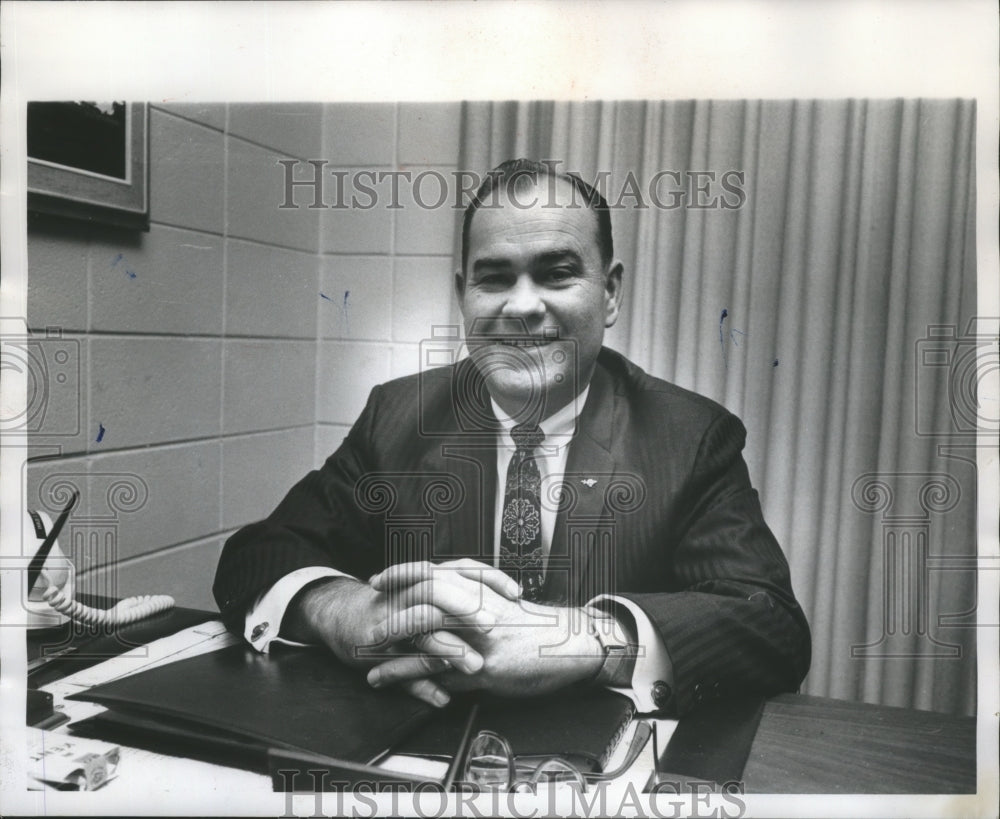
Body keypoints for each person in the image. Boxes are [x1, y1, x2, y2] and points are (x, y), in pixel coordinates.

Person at [213, 159, 810, 717]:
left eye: (557, 273)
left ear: (610, 293)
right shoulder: (396, 414)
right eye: (494, 278)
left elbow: (772, 627)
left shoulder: (690, 435)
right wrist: (345, 612)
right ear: (462, 295)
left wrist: (582, 639)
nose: (521, 307)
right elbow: (259, 554)